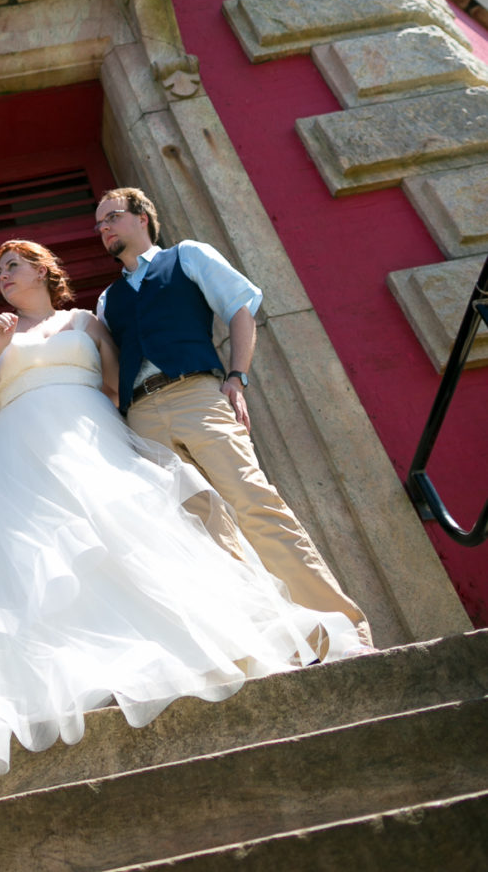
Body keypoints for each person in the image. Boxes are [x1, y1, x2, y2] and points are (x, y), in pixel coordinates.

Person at [0, 238, 362, 774]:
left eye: (13, 265)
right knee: (45, 565)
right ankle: (66, 685)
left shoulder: (87, 321)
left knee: (131, 541)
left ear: (43, 271)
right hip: (23, 450)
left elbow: (119, 385)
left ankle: (186, 652)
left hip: (92, 435)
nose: (3, 275)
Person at [94, 186, 372, 649]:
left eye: (112, 217)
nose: (103, 228)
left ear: (143, 217)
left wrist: (237, 377)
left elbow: (240, 311)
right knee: (201, 533)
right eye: (98, 224)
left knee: (254, 503)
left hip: (197, 396)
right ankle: (276, 644)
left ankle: (344, 633)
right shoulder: (107, 301)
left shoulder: (188, 256)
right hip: (141, 416)